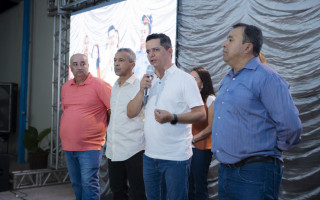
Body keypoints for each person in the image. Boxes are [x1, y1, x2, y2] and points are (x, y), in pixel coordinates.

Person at [212, 23, 302, 199]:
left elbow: (291, 126)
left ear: (247, 47)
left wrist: (270, 150)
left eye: (230, 39)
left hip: (255, 173)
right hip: (225, 171)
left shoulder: (267, 77)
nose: (224, 44)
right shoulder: (228, 78)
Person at [127, 33, 206, 200]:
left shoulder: (185, 80)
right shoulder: (148, 80)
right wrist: (142, 90)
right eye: (148, 51)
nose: (151, 55)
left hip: (175, 157)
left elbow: (201, 114)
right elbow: (131, 112)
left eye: (156, 50)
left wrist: (173, 117)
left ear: (170, 51)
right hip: (149, 156)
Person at [60, 53, 112, 200]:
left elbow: (113, 110)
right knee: (76, 184)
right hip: (68, 146)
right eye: (75, 64)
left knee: (89, 183)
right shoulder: (65, 87)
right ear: (71, 68)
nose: (79, 67)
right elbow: (68, 112)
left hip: (91, 146)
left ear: (88, 65)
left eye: (82, 63)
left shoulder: (100, 85)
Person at [106, 48, 146, 200]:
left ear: (132, 64)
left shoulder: (139, 85)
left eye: (121, 60)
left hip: (134, 148)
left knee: (138, 193)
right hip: (114, 149)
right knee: (118, 192)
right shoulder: (115, 86)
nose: (116, 64)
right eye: (115, 60)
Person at [189, 67, 215, 200]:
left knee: (199, 184)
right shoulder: (188, 99)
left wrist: (193, 139)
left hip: (201, 147)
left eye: (194, 78)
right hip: (186, 147)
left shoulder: (210, 99)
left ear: (203, 82)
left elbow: (212, 127)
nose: (190, 81)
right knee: (188, 185)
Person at [133, 14, 153, 79]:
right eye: (141, 32)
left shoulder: (154, 56)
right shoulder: (135, 56)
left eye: (144, 32)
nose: (142, 35)